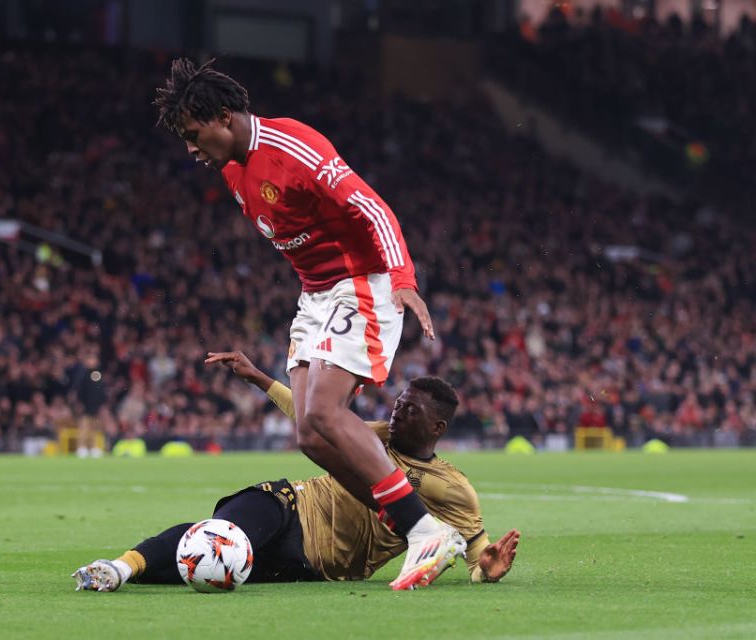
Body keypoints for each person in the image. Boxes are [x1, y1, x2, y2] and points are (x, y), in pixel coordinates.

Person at [154, 58, 452, 588]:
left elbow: (373, 208)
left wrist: (402, 277)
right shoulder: (231, 170)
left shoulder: (293, 145)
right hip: (315, 297)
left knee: (324, 410)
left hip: (362, 283)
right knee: (310, 436)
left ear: (225, 117)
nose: (191, 149)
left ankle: (426, 530)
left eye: (195, 135)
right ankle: (409, 525)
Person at [72, 351, 520, 592]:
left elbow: (476, 555)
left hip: (317, 565)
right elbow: (310, 416)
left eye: (411, 411)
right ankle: (118, 568)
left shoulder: (453, 487)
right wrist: (258, 378)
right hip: (291, 504)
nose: (397, 413)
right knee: (218, 537)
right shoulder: (374, 435)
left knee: (214, 568)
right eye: (398, 403)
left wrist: (486, 570)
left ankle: (131, 570)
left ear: (437, 427)